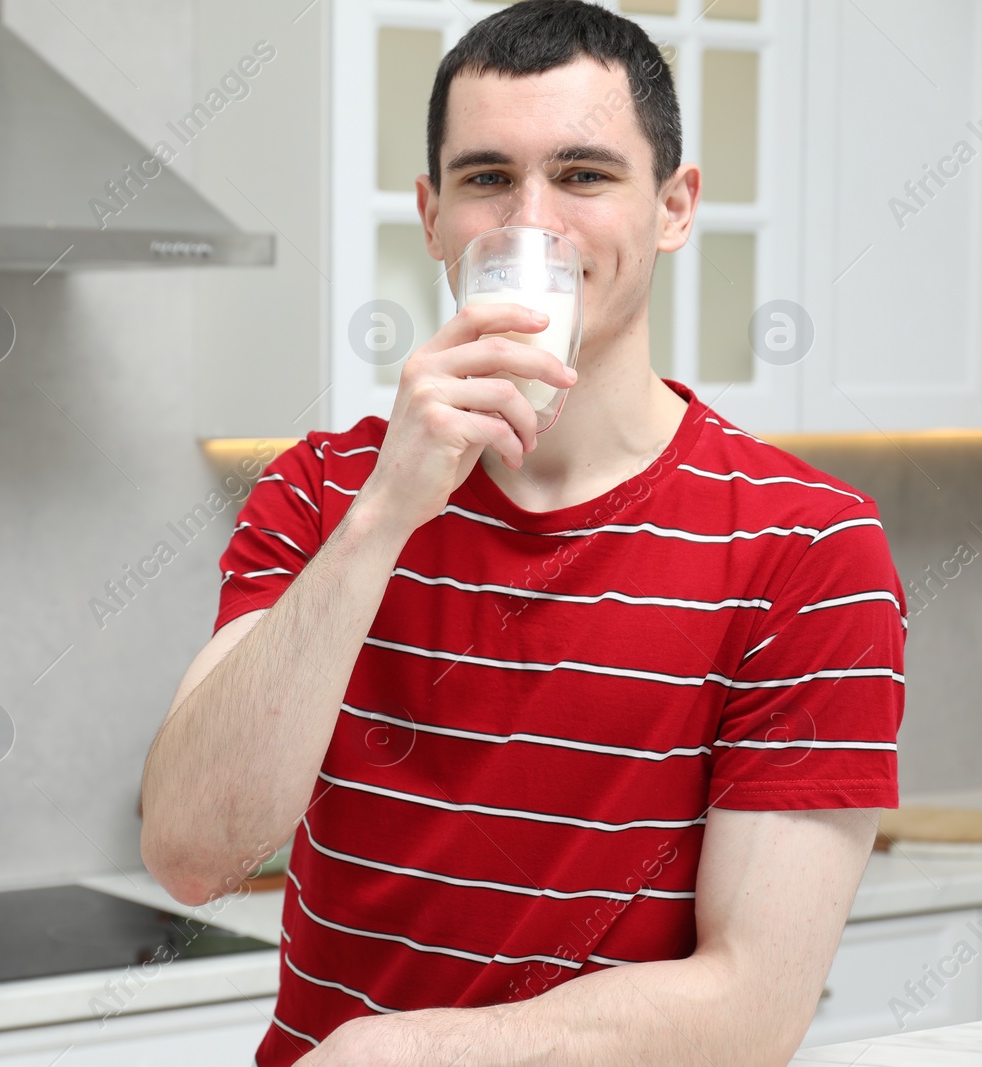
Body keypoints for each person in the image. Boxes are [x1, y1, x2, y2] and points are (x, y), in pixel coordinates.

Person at [138, 1, 906, 1064]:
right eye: (487, 178)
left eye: (584, 175)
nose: (530, 223)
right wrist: (385, 515)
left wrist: (400, 1050)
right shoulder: (323, 487)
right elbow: (190, 853)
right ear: (433, 214)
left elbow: (754, 1006)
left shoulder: (809, 546)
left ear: (674, 207)